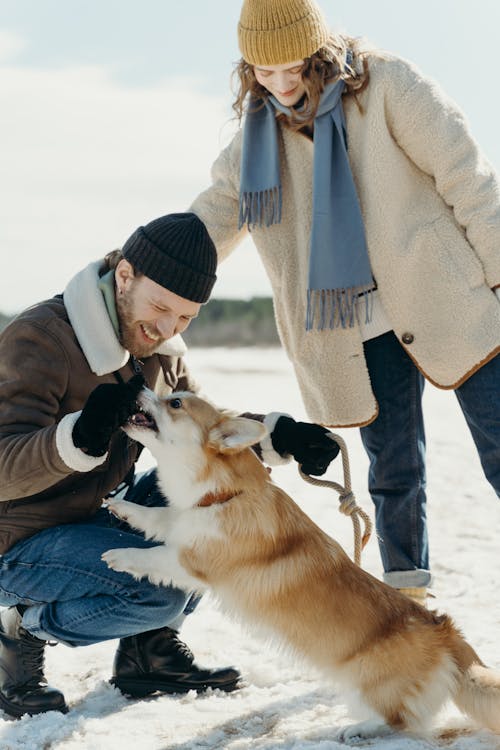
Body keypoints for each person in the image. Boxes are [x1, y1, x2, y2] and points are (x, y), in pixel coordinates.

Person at [190, 0, 500, 607]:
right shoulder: (255, 141)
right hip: (358, 328)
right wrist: (138, 264)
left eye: (293, 68)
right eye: (263, 71)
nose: (280, 86)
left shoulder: (388, 85)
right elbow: (213, 215)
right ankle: (410, 601)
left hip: (449, 296)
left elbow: (467, 176)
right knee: (393, 473)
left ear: (318, 51)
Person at [0, 211, 339, 718]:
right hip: (19, 537)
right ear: (124, 277)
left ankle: (147, 653)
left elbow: (202, 438)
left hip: (93, 513)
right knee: (159, 591)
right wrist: (77, 437)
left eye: (184, 318)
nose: (166, 328)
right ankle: (21, 630)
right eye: (160, 308)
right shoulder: (41, 338)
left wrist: (276, 436)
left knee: (223, 506)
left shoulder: (159, 350)